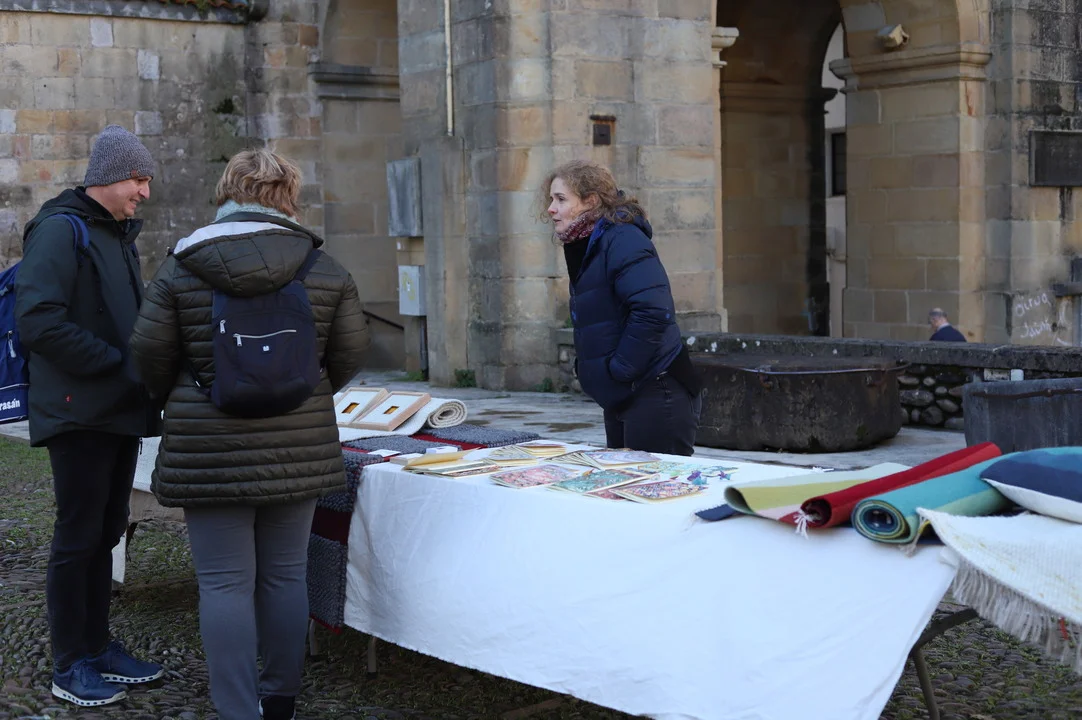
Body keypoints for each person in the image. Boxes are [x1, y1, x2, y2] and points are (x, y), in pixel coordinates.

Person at [129, 148, 369, 720]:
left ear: (228, 192)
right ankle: (280, 700)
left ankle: (238, 711)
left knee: (223, 584)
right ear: (289, 196)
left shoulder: (182, 266)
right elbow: (351, 352)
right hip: (297, 444)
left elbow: (148, 353)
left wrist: (185, 396)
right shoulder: (324, 268)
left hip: (208, 446)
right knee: (285, 577)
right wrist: (300, 391)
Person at [14, 124, 164, 707]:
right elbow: (39, 323)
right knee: (78, 536)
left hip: (118, 411)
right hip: (78, 414)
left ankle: (98, 647)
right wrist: (119, 365)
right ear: (109, 177)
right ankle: (69, 662)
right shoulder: (60, 230)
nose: (144, 192)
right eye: (138, 180)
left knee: (106, 532)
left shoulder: (118, 234)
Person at [542, 160, 702, 456]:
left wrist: (620, 369)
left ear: (591, 201)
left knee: (654, 482)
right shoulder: (590, 243)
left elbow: (653, 310)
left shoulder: (623, 239)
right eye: (551, 199)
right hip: (626, 392)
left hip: (656, 389)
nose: (551, 208)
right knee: (623, 480)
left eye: (561, 199)